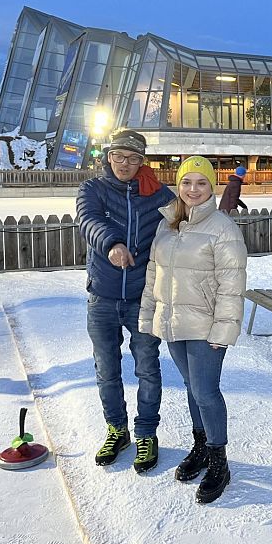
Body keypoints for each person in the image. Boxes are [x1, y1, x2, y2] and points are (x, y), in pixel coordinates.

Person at [138, 156, 247, 504]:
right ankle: (200, 446)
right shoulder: (168, 224)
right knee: (191, 387)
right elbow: (154, 275)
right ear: (179, 185)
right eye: (187, 182)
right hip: (174, 322)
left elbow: (232, 285)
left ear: (211, 187)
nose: (193, 189)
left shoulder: (222, 228)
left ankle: (219, 460)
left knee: (206, 391)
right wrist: (149, 317)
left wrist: (222, 332)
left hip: (205, 327)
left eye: (201, 183)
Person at [76, 129, 176, 473]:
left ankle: (147, 432)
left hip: (142, 297)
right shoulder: (94, 189)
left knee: (147, 367)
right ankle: (116, 429)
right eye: (119, 156)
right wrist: (113, 243)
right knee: (107, 369)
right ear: (108, 156)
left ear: (142, 162)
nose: (125, 164)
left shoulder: (158, 195)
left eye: (133, 158)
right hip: (102, 295)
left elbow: (188, 217)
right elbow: (89, 220)